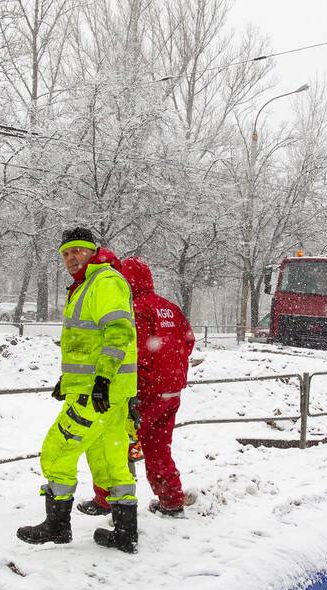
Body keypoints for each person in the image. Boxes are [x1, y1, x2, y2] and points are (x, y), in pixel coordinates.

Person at [16, 227, 140, 553]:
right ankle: (126, 533)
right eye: (66, 253)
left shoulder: (104, 282)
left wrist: (101, 380)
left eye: (78, 251)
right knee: (110, 462)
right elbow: (87, 344)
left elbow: (118, 333)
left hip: (97, 394)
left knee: (57, 451)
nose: (71, 258)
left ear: (92, 252)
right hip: (104, 393)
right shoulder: (88, 285)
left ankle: (57, 527)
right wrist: (69, 381)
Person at [77, 256, 196, 518]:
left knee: (115, 444)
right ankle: (171, 500)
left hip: (144, 392)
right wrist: (173, 370)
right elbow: (188, 341)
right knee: (158, 447)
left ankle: (109, 499)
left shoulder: (133, 309)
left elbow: (134, 352)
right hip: (171, 391)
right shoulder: (170, 307)